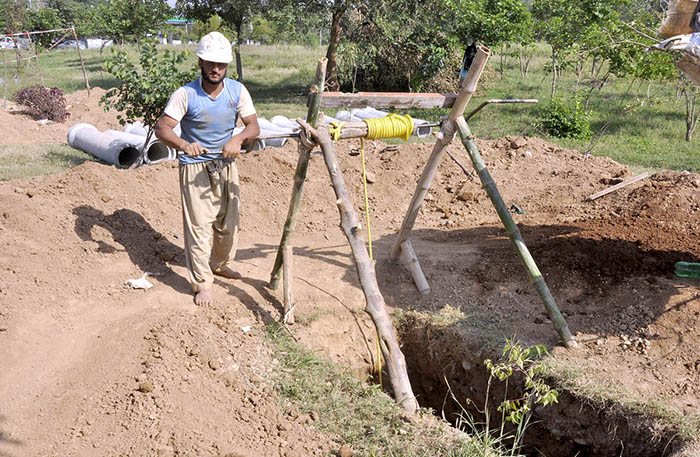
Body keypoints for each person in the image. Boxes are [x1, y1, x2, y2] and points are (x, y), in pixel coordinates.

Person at [155, 31, 260, 307]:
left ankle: (220, 263)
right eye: (211, 63)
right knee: (200, 228)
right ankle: (202, 283)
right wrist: (183, 144)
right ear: (200, 62)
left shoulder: (238, 91)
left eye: (221, 64)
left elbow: (253, 126)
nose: (216, 69)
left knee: (229, 224)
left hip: (226, 165)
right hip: (195, 168)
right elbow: (162, 128)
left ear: (227, 66)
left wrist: (237, 139)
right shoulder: (186, 94)